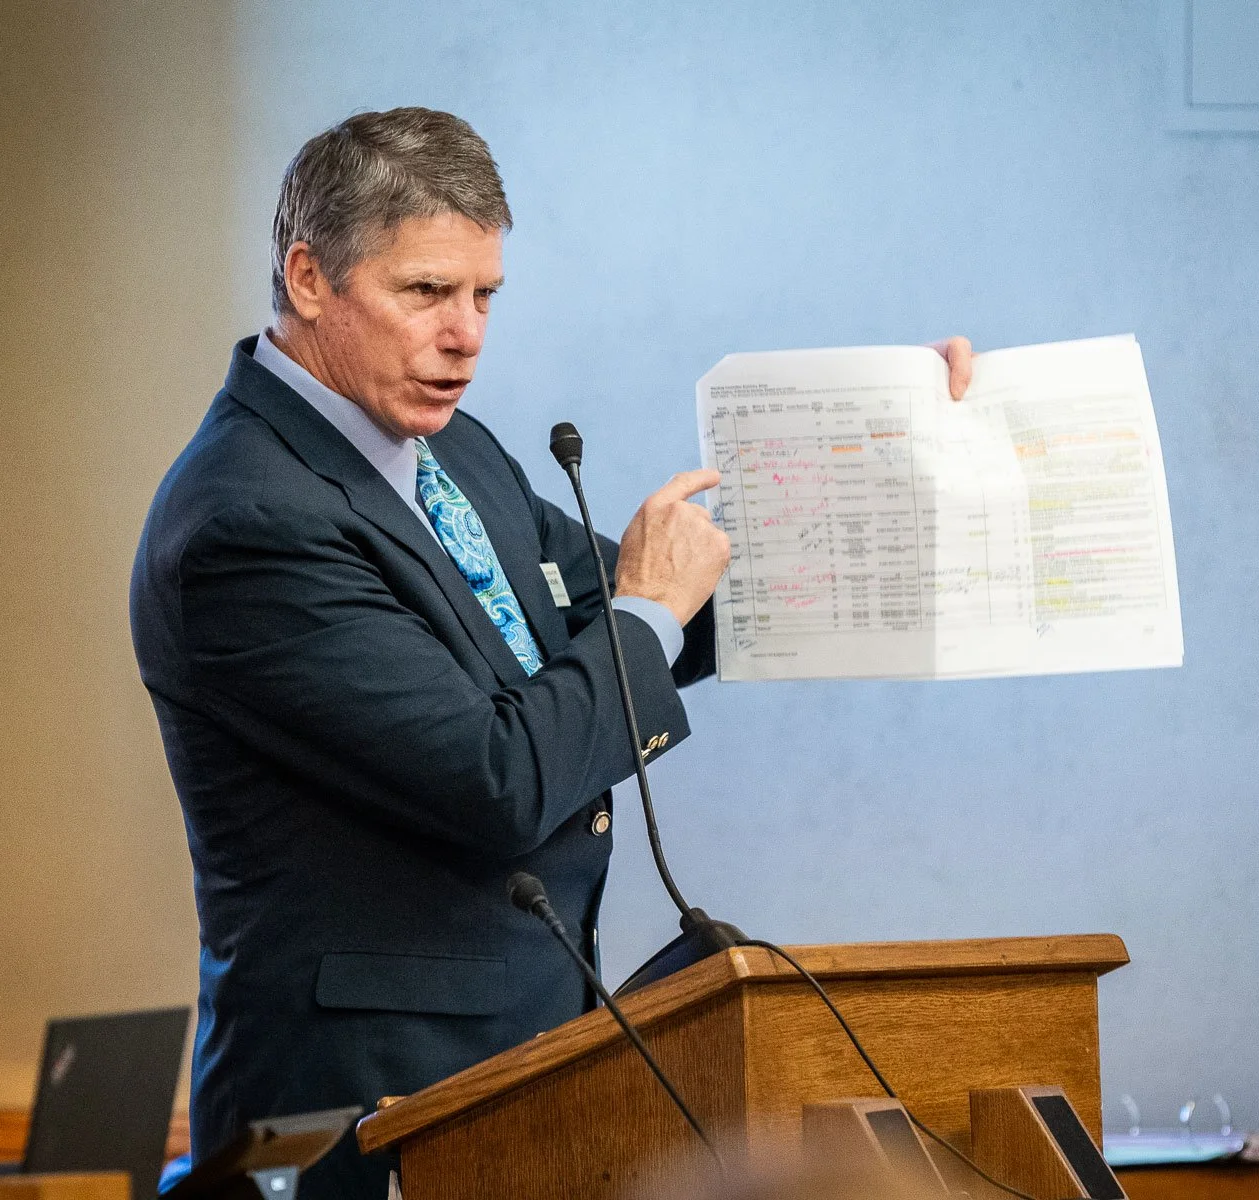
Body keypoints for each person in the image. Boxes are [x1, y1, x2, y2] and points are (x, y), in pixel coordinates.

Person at [130, 107, 973, 1200]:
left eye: (485, 296)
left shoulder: (453, 454)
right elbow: (498, 778)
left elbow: (671, 613)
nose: (466, 334)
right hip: (364, 1117)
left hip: (533, 1072)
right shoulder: (249, 520)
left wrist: (881, 455)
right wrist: (644, 616)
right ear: (306, 277)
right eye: (425, 292)